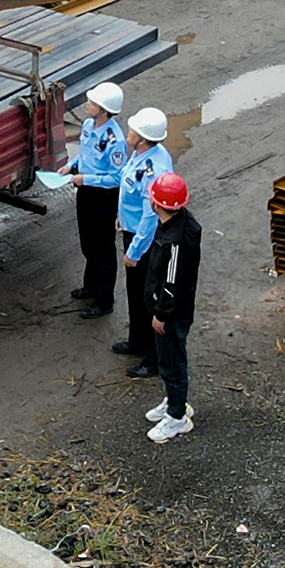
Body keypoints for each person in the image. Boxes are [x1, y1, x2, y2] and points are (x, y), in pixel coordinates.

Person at [114, 108, 173, 378]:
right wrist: (121, 217)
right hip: (132, 230)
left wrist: (135, 251)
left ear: (144, 138)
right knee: (135, 294)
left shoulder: (153, 169)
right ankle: (136, 341)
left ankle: (152, 358)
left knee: (148, 298)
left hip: (144, 241)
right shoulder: (142, 154)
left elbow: (150, 216)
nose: (128, 133)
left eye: (133, 130)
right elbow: (130, 195)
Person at [141, 173, 200, 443]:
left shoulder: (175, 241)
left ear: (157, 204)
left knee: (172, 363)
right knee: (170, 359)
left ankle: (177, 417)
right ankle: (175, 401)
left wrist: (161, 314)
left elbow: (172, 283)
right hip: (171, 309)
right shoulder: (178, 224)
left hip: (171, 313)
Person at [61, 82, 125, 319]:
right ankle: (90, 286)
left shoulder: (115, 141)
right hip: (85, 191)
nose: (87, 105)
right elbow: (85, 154)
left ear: (104, 111)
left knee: (103, 249)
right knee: (88, 243)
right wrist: (70, 166)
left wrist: (85, 178)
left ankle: (104, 300)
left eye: (92, 103)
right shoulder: (88, 125)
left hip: (103, 197)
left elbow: (116, 177)